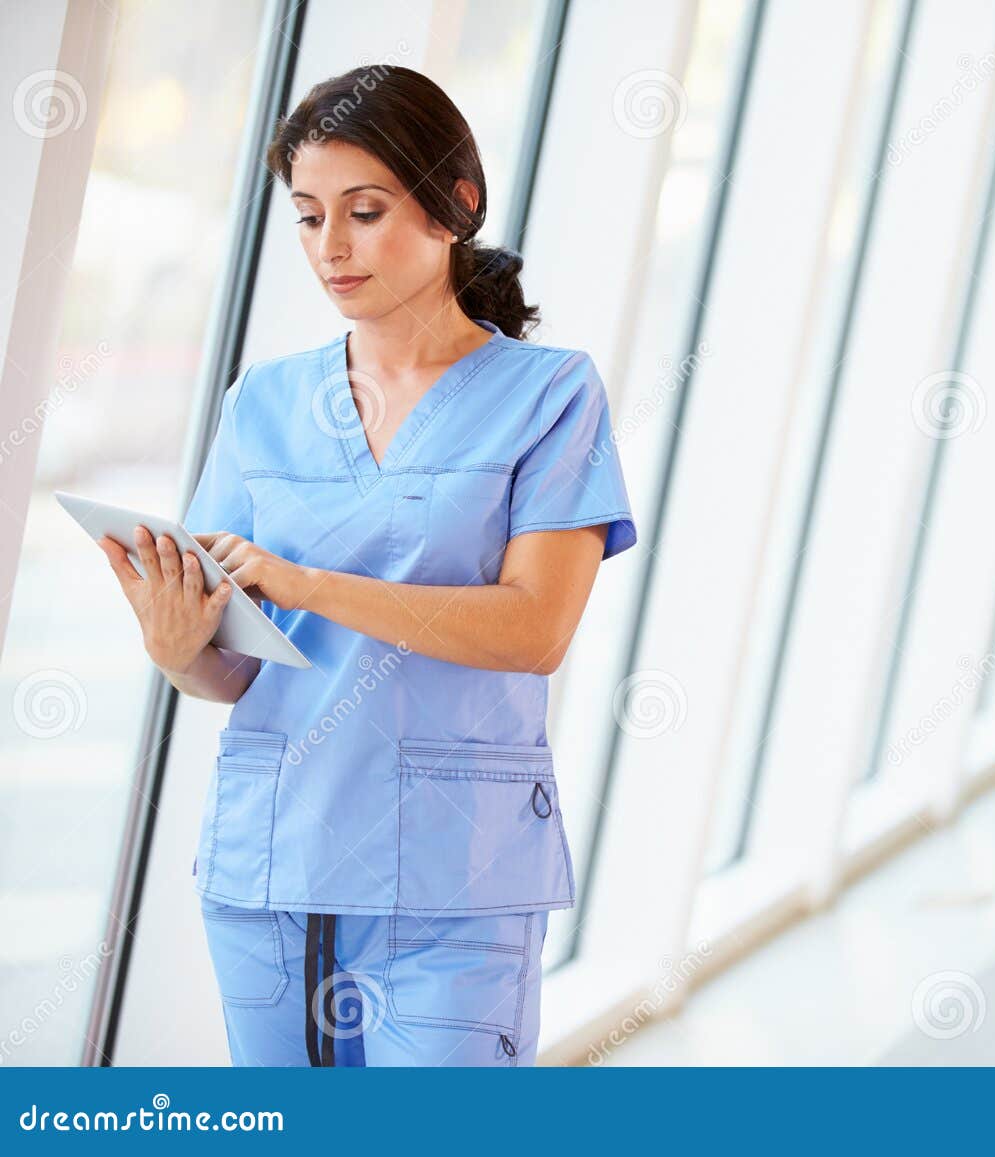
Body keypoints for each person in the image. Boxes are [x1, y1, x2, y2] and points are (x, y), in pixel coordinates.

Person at [97, 66, 637, 1067]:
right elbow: (237, 664)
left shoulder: (549, 396)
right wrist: (177, 649)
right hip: (272, 866)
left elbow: (533, 630)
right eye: (307, 218)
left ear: (455, 205)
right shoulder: (262, 401)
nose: (330, 248)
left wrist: (307, 584)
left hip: (458, 883)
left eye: (365, 210)